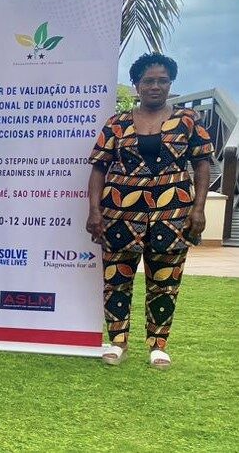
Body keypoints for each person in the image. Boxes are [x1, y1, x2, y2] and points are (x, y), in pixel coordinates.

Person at [87, 53, 213, 369]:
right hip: (119, 215)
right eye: (148, 81)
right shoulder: (117, 123)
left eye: (162, 81)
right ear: (137, 85)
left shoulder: (188, 121)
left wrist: (199, 208)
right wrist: (94, 211)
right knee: (116, 279)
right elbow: (99, 169)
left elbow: (201, 165)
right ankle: (117, 342)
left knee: (165, 280)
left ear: (170, 84)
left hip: (173, 216)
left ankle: (158, 345)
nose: (155, 87)